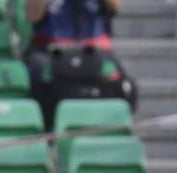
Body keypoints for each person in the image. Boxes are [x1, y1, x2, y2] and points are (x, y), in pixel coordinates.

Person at [23, 0, 137, 131]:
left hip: (94, 49)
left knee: (125, 84)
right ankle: (45, 130)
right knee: (37, 73)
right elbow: (32, 15)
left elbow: (116, 7)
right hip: (49, 48)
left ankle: (115, 130)